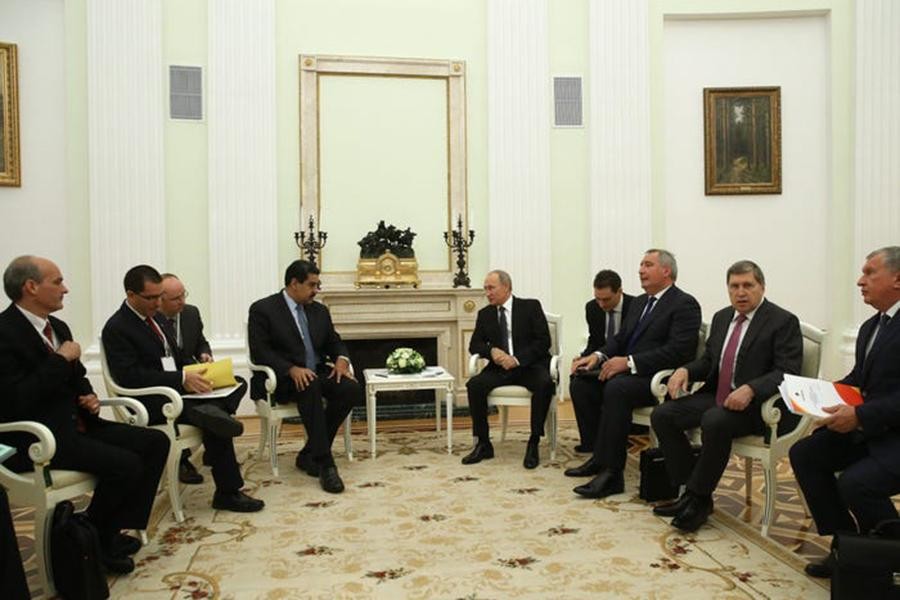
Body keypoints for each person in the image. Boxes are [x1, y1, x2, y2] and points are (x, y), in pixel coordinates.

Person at [0, 256, 170, 574]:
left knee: (156, 442)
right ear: (31, 287)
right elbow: (13, 401)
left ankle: (108, 530)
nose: (65, 289)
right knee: (126, 465)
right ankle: (96, 538)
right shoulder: (4, 332)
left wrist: (88, 395)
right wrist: (60, 360)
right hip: (38, 440)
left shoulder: (58, 327)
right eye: (57, 282)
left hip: (77, 424)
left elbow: (76, 376)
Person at [650, 260, 802, 532]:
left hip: (758, 407)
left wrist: (752, 388)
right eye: (734, 286)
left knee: (715, 420)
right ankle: (692, 491)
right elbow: (709, 361)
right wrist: (685, 370)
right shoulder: (722, 318)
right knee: (662, 415)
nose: (741, 292)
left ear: (762, 287)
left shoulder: (782, 321)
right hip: (718, 396)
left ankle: (696, 498)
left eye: (748, 285)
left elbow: (787, 371)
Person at [102, 265, 263, 513]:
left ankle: (212, 414)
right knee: (213, 419)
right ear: (131, 295)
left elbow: (176, 356)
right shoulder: (118, 327)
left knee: (226, 393)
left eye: (159, 297)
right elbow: (130, 377)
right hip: (152, 400)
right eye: (151, 298)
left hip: (176, 392)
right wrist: (181, 379)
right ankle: (228, 490)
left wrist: (198, 371)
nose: (157, 303)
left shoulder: (153, 319)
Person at [790, 246, 900, 578]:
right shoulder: (871, 326)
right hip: (873, 429)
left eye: (869, 273)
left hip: (893, 435)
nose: (860, 281)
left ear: (897, 279)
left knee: (856, 483)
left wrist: (860, 417)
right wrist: (819, 395)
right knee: (805, 453)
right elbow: (860, 379)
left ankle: (888, 552)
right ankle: (848, 546)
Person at [567, 249, 701, 498]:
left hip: (659, 380)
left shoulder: (684, 304)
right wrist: (598, 356)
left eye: (648, 265)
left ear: (666, 271)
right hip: (633, 374)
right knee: (582, 383)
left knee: (616, 387)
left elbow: (678, 351)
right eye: (641, 265)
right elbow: (620, 339)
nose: (640, 270)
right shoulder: (640, 302)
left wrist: (629, 362)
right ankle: (599, 456)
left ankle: (612, 474)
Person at [247, 260, 360, 494]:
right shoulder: (263, 309)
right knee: (310, 385)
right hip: (282, 379)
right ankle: (326, 464)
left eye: (318, 285)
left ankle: (309, 453)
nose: (316, 290)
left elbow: (334, 342)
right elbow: (261, 351)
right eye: (312, 285)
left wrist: (341, 360)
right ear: (294, 283)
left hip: (315, 372)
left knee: (349, 388)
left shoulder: (319, 311)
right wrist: (290, 369)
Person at [463, 270, 554, 469]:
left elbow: (543, 342)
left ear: (506, 287)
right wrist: (491, 351)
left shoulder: (530, 307)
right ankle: (483, 444)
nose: (487, 293)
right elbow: (474, 345)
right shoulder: (485, 314)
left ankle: (533, 442)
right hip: (499, 369)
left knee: (545, 384)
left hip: (529, 366)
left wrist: (517, 360)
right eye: (485, 288)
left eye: (491, 288)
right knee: (474, 385)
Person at [155, 273, 240, 485]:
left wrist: (204, 354)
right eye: (176, 298)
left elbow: (201, 342)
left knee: (239, 382)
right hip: (170, 383)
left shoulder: (191, 313)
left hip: (197, 375)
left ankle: (216, 433)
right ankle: (189, 457)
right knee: (211, 411)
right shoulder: (151, 321)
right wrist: (182, 378)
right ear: (160, 300)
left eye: (184, 295)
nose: (182, 302)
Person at [570, 269, 634, 452]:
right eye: (598, 299)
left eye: (606, 299)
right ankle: (591, 442)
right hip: (601, 359)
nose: (601, 304)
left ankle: (616, 439)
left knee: (612, 385)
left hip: (627, 364)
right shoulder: (592, 308)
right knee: (578, 382)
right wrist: (584, 357)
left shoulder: (635, 306)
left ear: (619, 291)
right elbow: (595, 340)